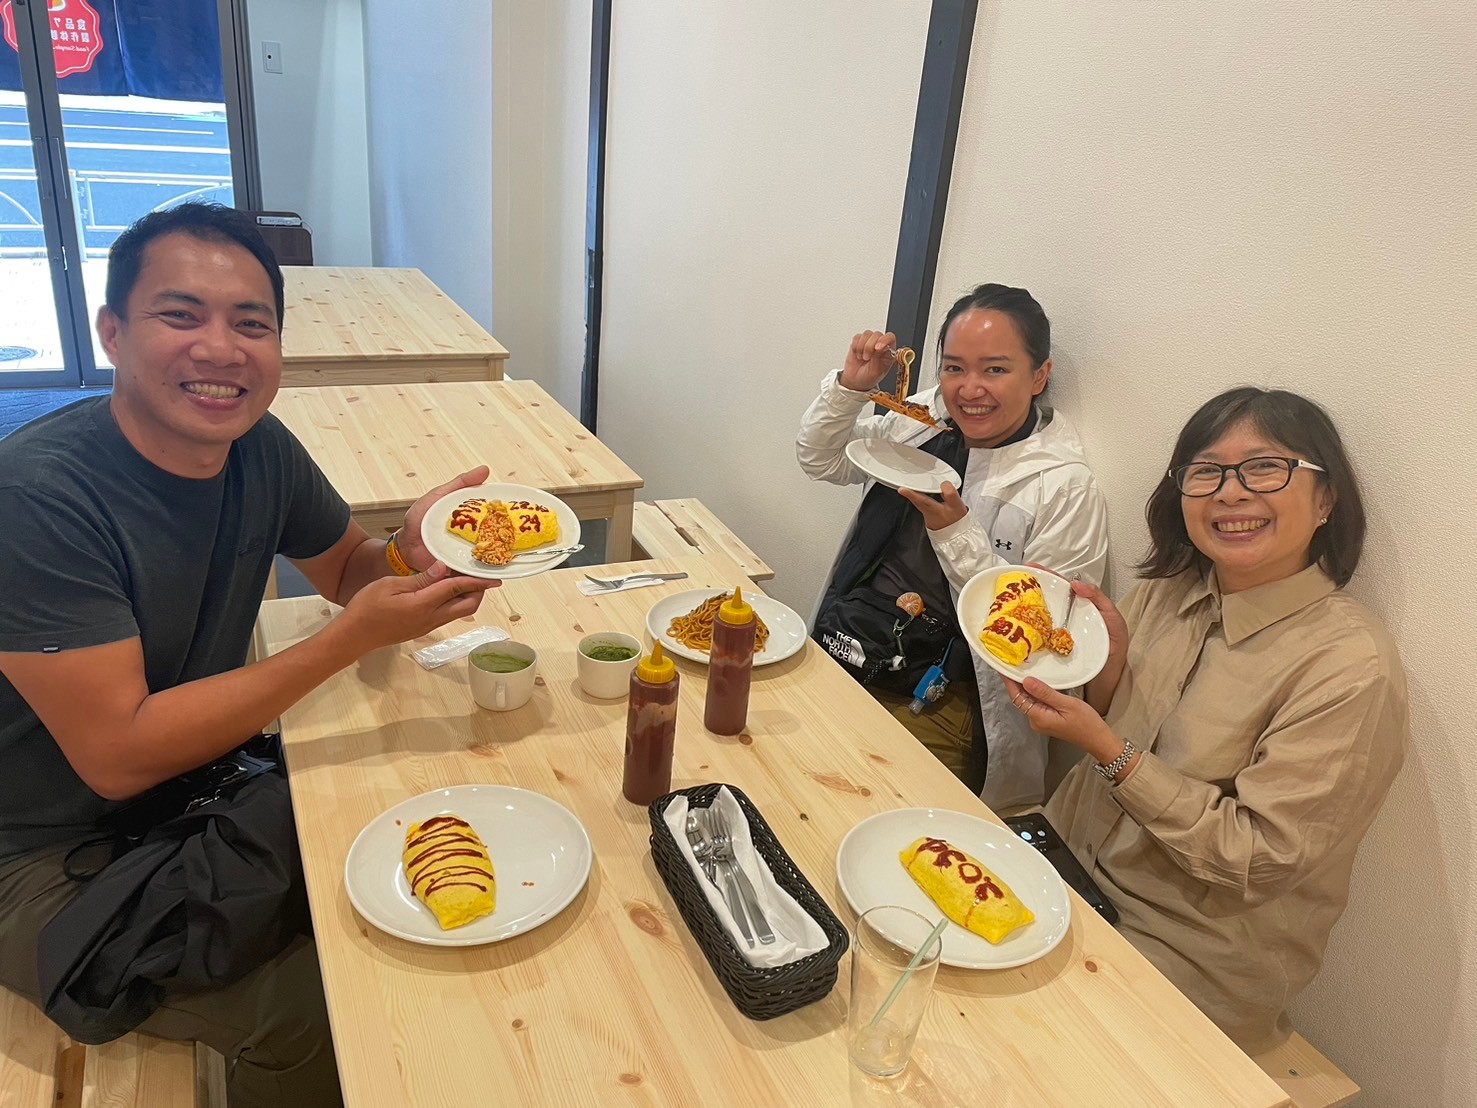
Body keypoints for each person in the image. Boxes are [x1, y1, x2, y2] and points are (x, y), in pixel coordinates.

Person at [0, 203, 499, 1106]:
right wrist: (348, 640)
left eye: (250, 323)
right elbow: (117, 756)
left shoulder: (257, 447)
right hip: (39, 853)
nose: (220, 349)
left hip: (193, 787)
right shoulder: (37, 500)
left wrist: (411, 550)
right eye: (180, 314)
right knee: (320, 1012)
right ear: (112, 332)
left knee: (413, 877)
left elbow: (347, 569)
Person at [1005, 387, 1408, 1052]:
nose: (1230, 492)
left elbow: (1257, 856)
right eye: (1206, 471)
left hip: (1180, 954)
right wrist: (1102, 670)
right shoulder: (1164, 594)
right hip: (1058, 862)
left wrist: (1106, 749)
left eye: (1264, 467)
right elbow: (1115, 728)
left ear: (1326, 500)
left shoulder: (1350, 665)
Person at [797, 283, 1108, 809]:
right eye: (954, 367)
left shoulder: (1064, 486)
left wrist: (956, 534)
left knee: (865, 811)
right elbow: (821, 460)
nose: (969, 389)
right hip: (850, 640)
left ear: (1039, 376)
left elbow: (1042, 641)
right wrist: (850, 388)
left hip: (952, 699)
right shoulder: (923, 420)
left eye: (995, 369)